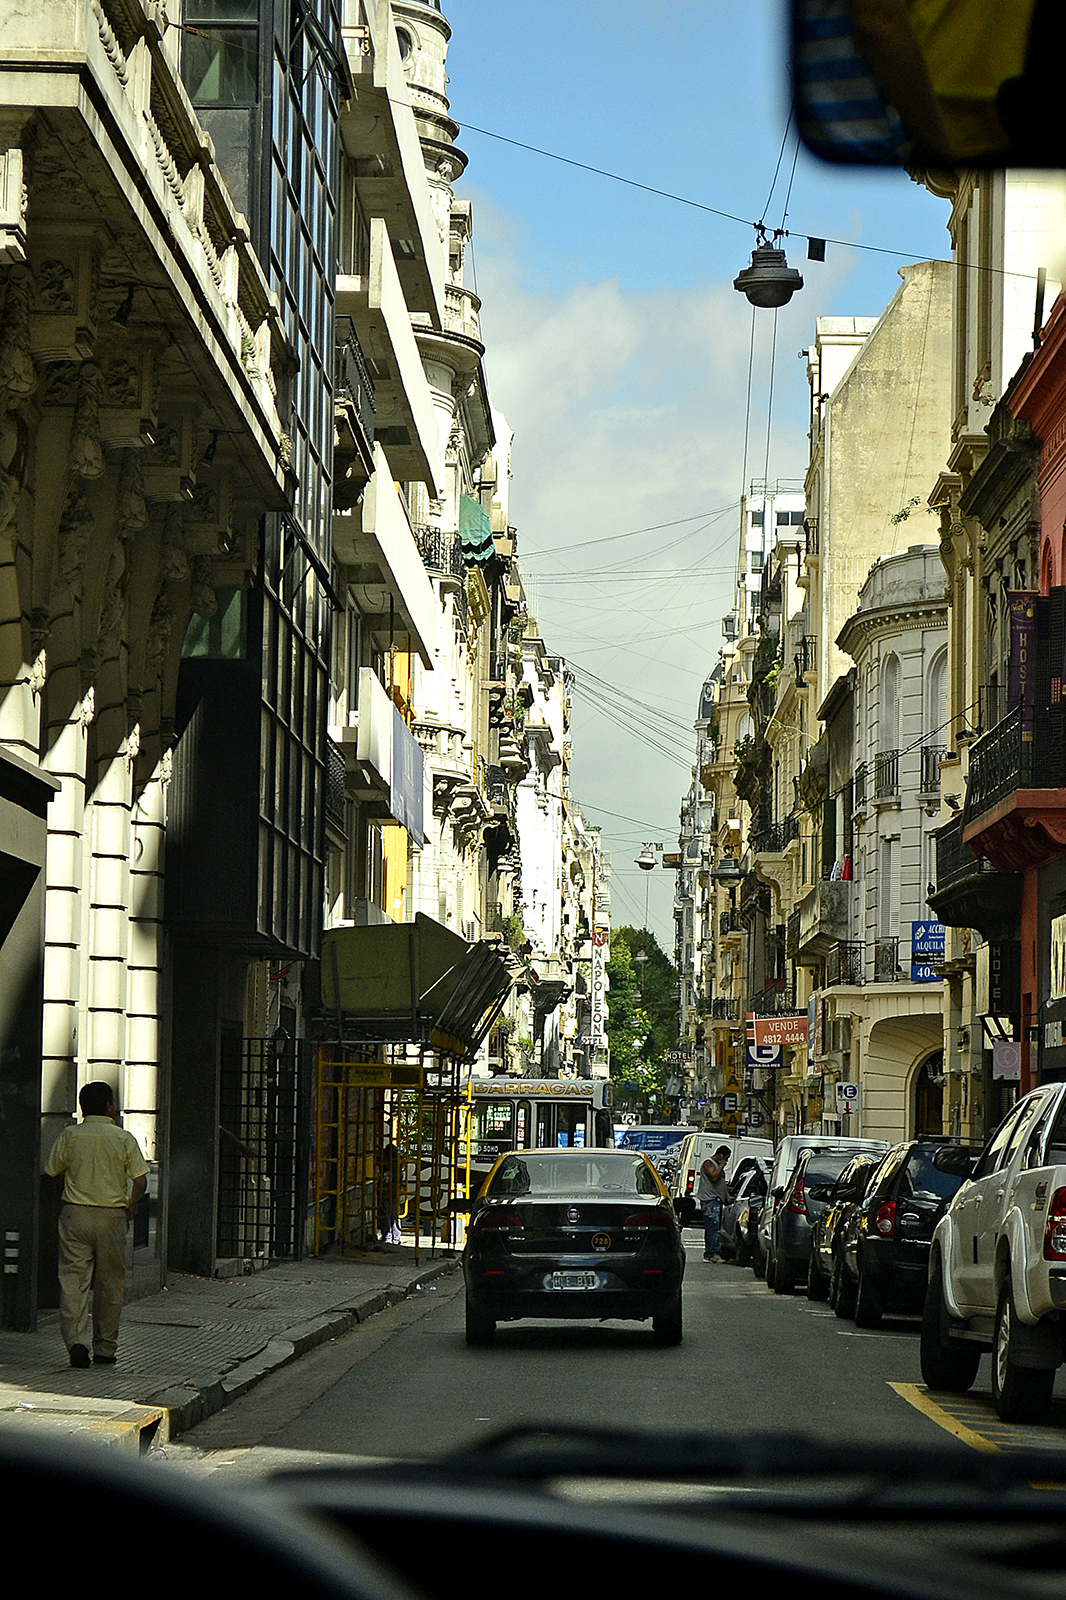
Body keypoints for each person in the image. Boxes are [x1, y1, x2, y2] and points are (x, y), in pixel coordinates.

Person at [45, 1082, 148, 1368]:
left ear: (81, 1107)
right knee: (110, 1284)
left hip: (75, 1215)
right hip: (111, 1217)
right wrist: (132, 1203)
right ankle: (105, 1348)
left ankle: (76, 1342)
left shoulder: (70, 1135)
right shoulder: (123, 1138)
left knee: (73, 1282)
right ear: (109, 1107)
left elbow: (52, 1170)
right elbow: (140, 1180)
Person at [697, 1145, 732, 1264]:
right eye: (726, 1159)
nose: (726, 1162)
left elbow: (721, 1182)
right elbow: (714, 1177)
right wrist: (721, 1165)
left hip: (717, 1199)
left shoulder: (716, 1166)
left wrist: (726, 1196)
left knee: (712, 1227)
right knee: (713, 1227)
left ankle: (709, 1253)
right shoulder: (709, 1163)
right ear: (721, 1155)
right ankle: (713, 1253)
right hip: (710, 1200)